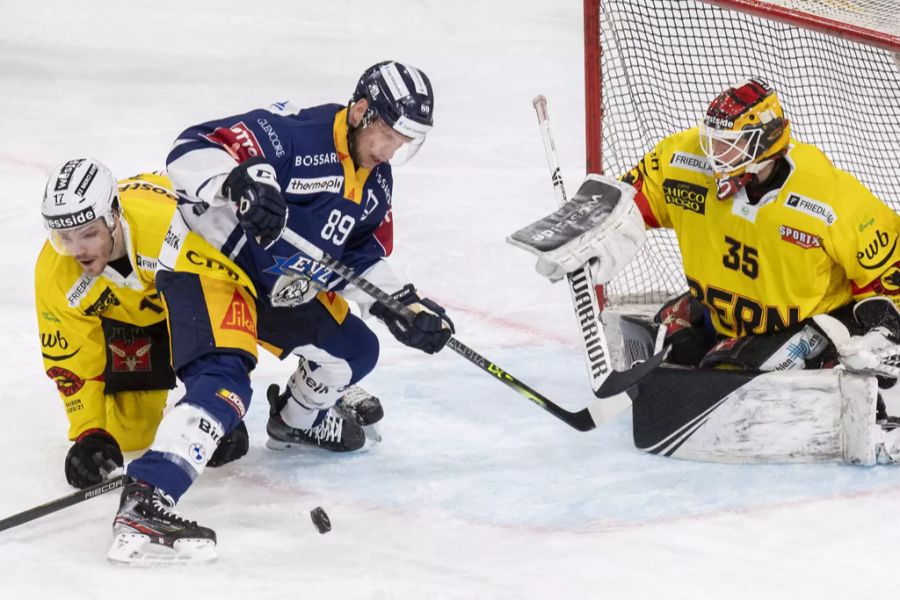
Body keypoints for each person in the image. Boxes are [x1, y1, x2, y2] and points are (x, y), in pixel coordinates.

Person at [108, 60, 454, 564]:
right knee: (225, 383)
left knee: (355, 350)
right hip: (210, 264)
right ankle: (147, 496)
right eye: (389, 134)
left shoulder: (376, 184)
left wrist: (404, 304)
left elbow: (357, 258)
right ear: (360, 111)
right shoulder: (297, 134)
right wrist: (239, 184)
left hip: (275, 285)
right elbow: (189, 148)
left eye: (404, 140)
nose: (392, 149)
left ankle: (296, 422)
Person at [511, 78, 900, 464]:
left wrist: (881, 337)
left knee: (729, 371)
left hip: (807, 326)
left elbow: (889, 279)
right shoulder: (684, 161)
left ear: (766, 145)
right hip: (725, 313)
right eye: (713, 140)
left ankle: (830, 374)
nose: (714, 155)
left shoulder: (831, 200)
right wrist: (587, 231)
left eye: (730, 146)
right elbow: (629, 202)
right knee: (668, 337)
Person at [36, 159, 249, 492]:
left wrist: (217, 404)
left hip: (193, 295)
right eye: (64, 236)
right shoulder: (55, 271)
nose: (77, 250)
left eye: (88, 233)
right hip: (134, 320)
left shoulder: (167, 229)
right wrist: (89, 431)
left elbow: (224, 301)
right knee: (131, 435)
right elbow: (70, 361)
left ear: (113, 215)